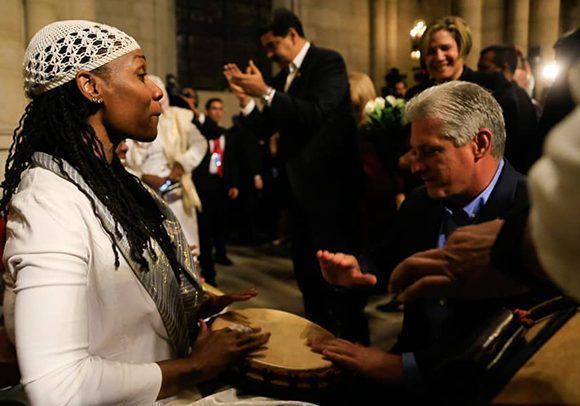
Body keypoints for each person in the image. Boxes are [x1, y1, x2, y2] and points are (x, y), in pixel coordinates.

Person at [1, 20, 270, 404]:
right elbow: (57, 387)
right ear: (91, 87)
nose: (157, 90)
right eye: (141, 74)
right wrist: (198, 367)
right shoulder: (48, 203)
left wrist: (188, 305)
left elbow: (117, 300)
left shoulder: (111, 182)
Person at [309, 81, 534, 395]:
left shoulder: (536, 213)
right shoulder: (421, 202)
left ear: (480, 144)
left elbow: (527, 339)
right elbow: (385, 258)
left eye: (430, 151)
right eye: (414, 152)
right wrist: (356, 270)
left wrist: (403, 368)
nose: (415, 166)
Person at [224, 8, 367, 342]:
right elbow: (266, 126)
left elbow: (316, 113)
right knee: (309, 281)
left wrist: (266, 93)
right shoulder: (281, 78)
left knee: (341, 286)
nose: (269, 54)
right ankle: (321, 353)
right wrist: (246, 101)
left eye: (273, 45)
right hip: (299, 196)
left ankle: (356, 358)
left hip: (332, 194)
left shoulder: (328, 62)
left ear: (292, 34)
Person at [407, 16, 537, 174]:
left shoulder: (490, 85)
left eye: (445, 48)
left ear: (460, 49)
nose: (439, 57)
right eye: (431, 51)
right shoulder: (415, 95)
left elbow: (512, 141)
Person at [124, 74, 207, 248]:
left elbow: (200, 143)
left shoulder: (176, 119)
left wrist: (181, 164)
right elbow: (121, 163)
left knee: (184, 246)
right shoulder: (130, 124)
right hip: (140, 193)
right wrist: (142, 176)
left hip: (174, 192)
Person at [192, 98, 239, 284]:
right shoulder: (201, 131)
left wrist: (234, 184)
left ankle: (221, 253)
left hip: (220, 185)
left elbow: (232, 161)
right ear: (207, 110)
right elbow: (210, 130)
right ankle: (208, 272)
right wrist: (199, 116)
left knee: (220, 224)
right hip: (203, 186)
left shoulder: (225, 134)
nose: (218, 112)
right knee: (204, 228)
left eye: (221, 109)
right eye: (214, 109)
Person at [477, 44, 539, 172]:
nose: (478, 74)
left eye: (484, 68)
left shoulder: (505, 99)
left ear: (504, 68)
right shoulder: (522, 94)